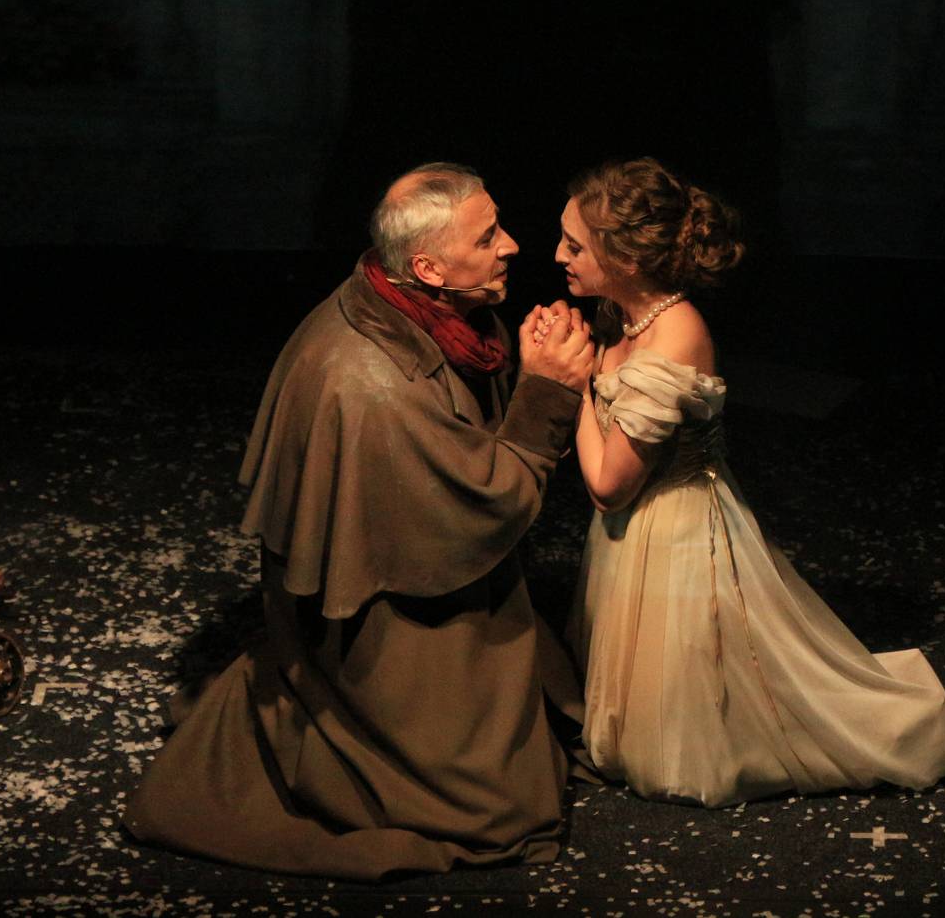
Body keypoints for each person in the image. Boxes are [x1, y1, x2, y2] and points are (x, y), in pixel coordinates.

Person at [123, 163, 595, 878]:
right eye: (487, 237)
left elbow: (464, 439)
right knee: (496, 805)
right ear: (428, 268)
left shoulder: (413, 302)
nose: (511, 245)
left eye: (498, 225)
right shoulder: (374, 385)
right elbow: (484, 506)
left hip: (419, 561)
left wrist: (526, 372)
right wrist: (547, 393)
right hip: (389, 622)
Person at [550, 157, 945, 807]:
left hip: (674, 529)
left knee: (709, 692)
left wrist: (568, 386)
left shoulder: (673, 338)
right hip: (635, 533)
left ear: (624, 259)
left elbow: (606, 485)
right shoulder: (623, 313)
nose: (558, 256)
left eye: (574, 245)